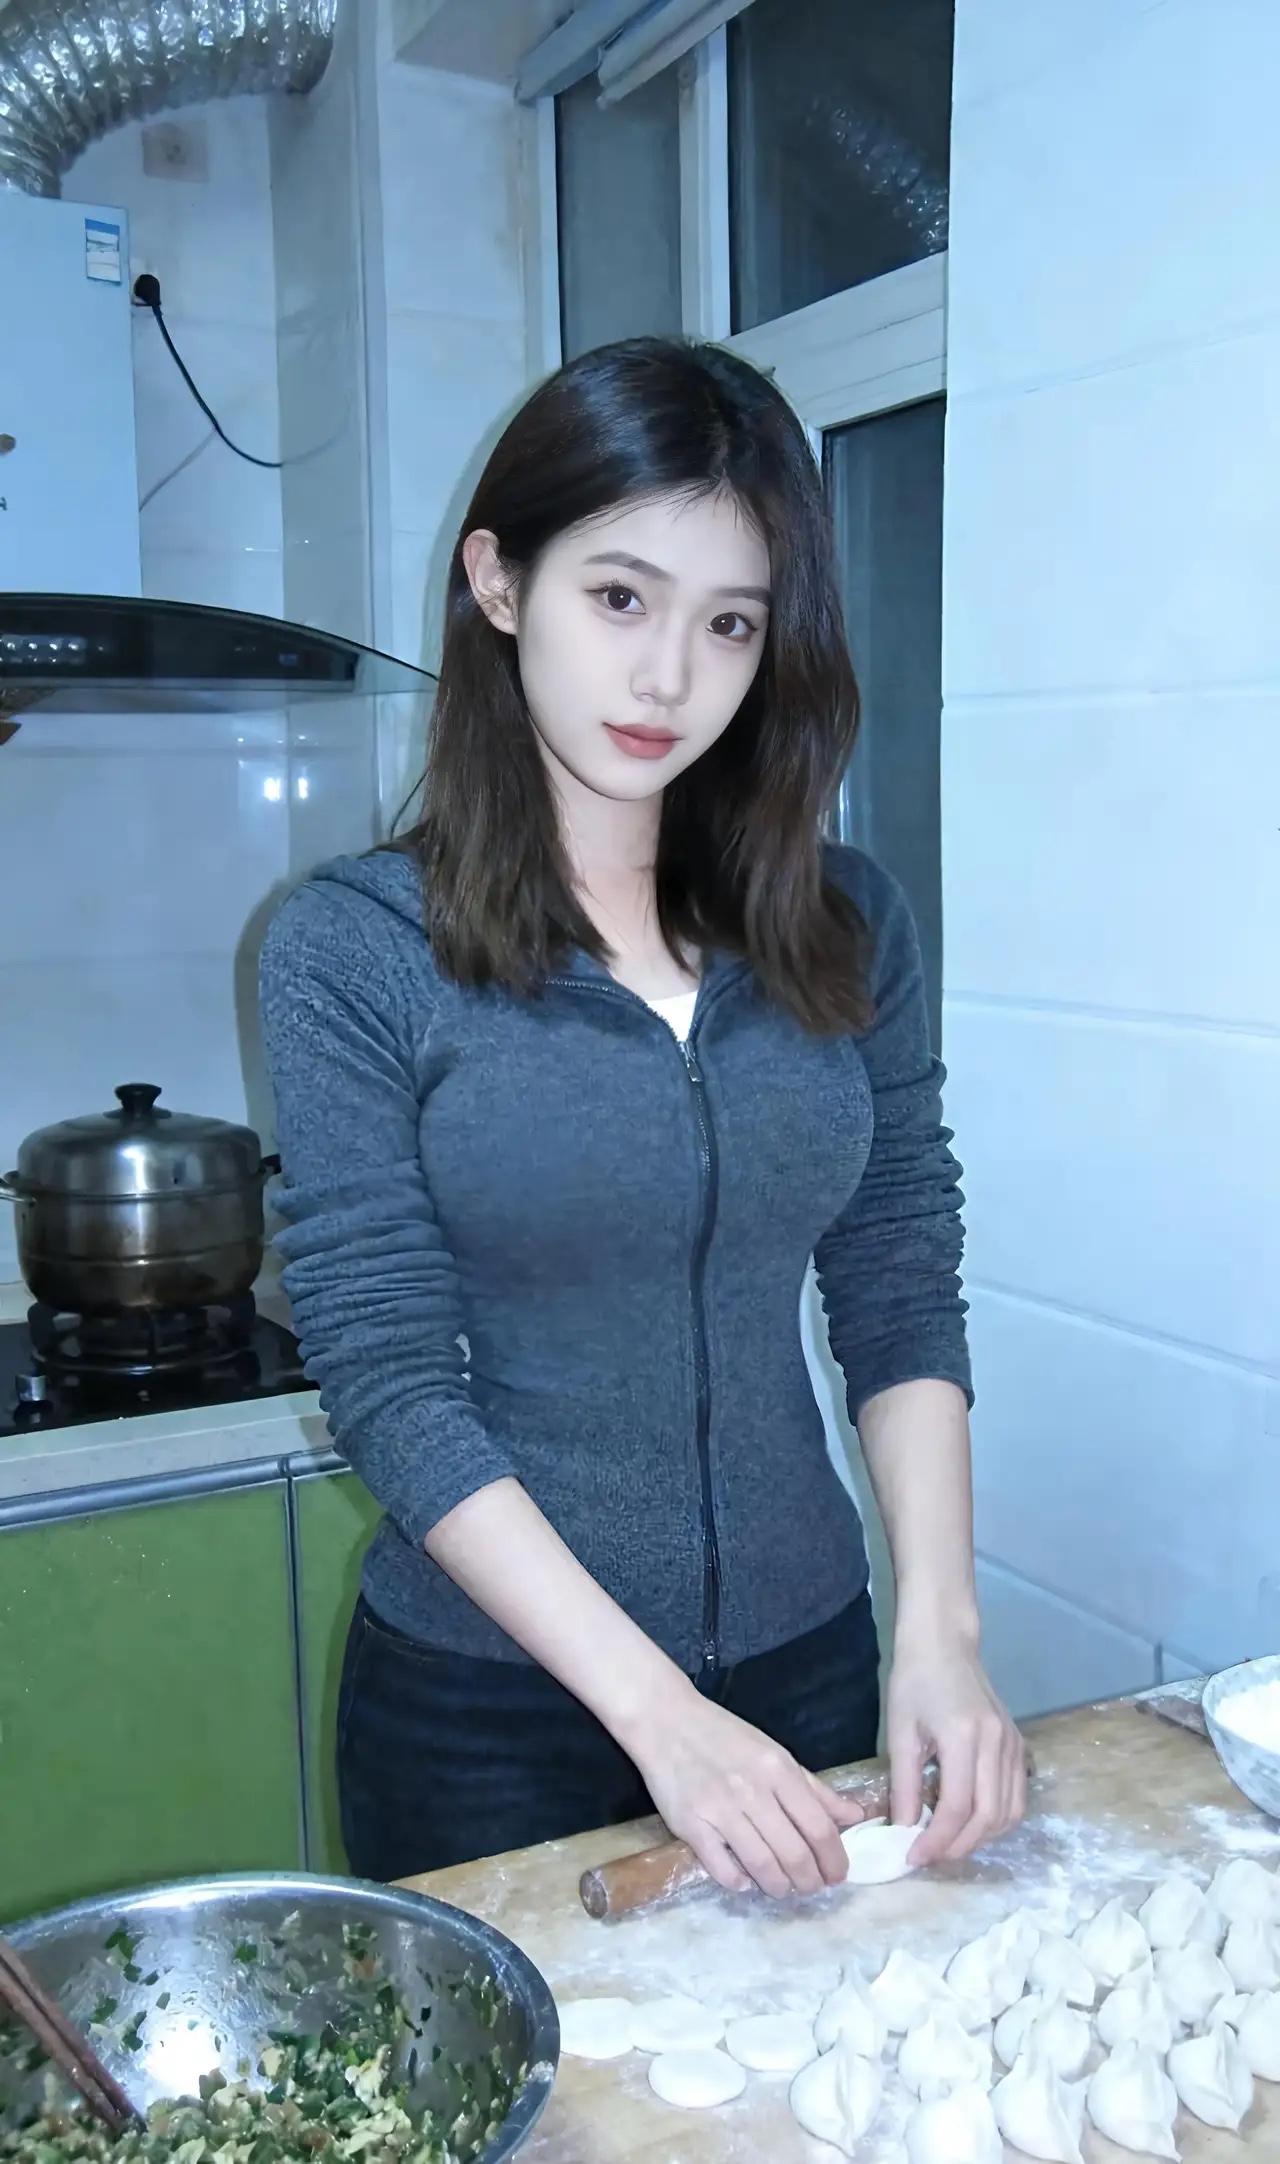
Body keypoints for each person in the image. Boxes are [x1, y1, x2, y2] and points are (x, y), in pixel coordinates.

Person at [259, 335, 1025, 1898]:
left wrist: (942, 1630)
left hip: (810, 1665)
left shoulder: (845, 925)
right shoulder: (353, 949)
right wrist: (659, 1716)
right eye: (620, 597)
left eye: (729, 622)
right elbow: (391, 1376)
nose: (670, 678)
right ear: (498, 581)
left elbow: (896, 1272)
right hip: (488, 1716)